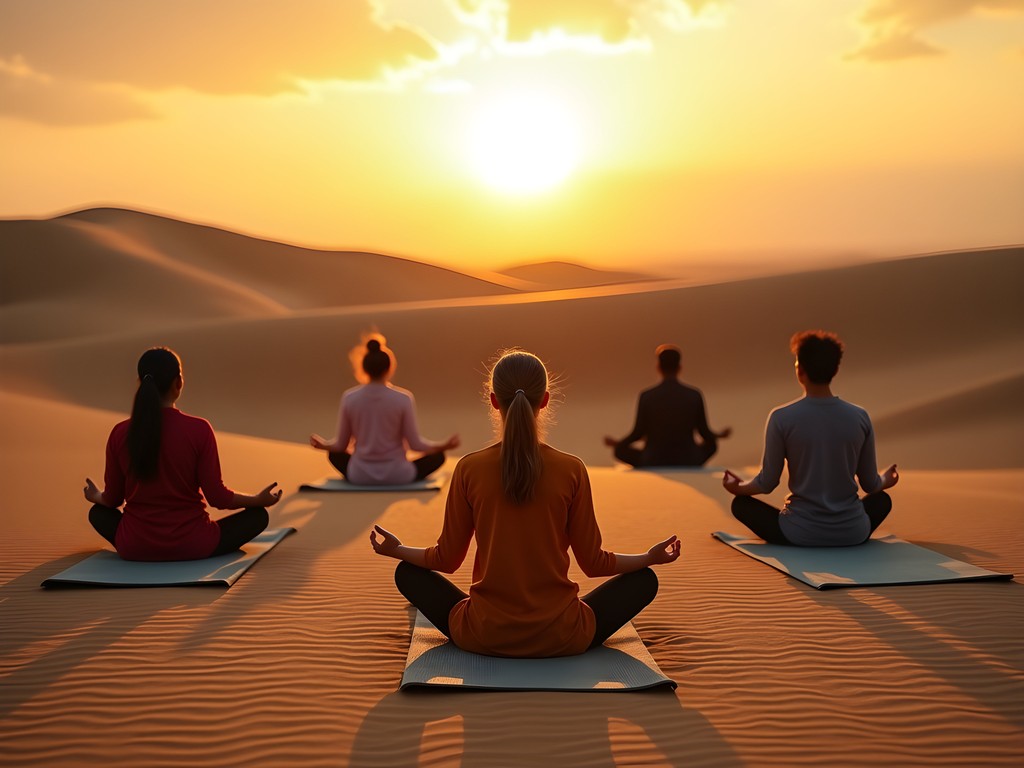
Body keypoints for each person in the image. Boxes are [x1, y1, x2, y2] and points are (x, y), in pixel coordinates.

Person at [369, 349, 681, 658]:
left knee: (408, 574)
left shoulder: (469, 468)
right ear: (545, 400)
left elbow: (446, 560)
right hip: (564, 636)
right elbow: (595, 563)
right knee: (644, 581)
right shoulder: (572, 469)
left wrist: (397, 549)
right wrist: (648, 557)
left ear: (493, 401)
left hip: (482, 634)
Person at [84, 347, 280, 561]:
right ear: (178, 383)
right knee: (258, 517)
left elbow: (112, 500)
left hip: (135, 546)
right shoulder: (199, 429)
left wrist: (95, 496)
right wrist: (257, 499)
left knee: (98, 513)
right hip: (195, 545)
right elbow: (217, 497)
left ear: (140, 382)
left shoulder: (120, 433)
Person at [722, 330, 899, 546]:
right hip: (853, 533)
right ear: (835, 369)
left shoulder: (781, 417)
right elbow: (871, 485)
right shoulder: (860, 416)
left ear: (800, 370)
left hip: (798, 534)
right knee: (882, 499)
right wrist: (886, 480)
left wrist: (737, 488)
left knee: (740, 505)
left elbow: (767, 482)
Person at [310, 335, 459, 485]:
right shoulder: (403, 398)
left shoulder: (350, 397)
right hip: (399, 474)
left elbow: (340, 445)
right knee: (438, 456)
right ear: (390, 368)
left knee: (334, 454)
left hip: (360, 475)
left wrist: (323, 445)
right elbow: (416, 444)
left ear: (363, 368)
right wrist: (443, 446)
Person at [604, 344, 730, 467]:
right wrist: (719, 435)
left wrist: (619, 444)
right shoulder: (694, 395)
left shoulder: (647, 396)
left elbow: (638, 432)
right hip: (689, 459)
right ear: (680, 367)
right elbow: (704, 432)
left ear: (658, 367)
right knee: (712, 445)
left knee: (620, 450)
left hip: (653, 459)